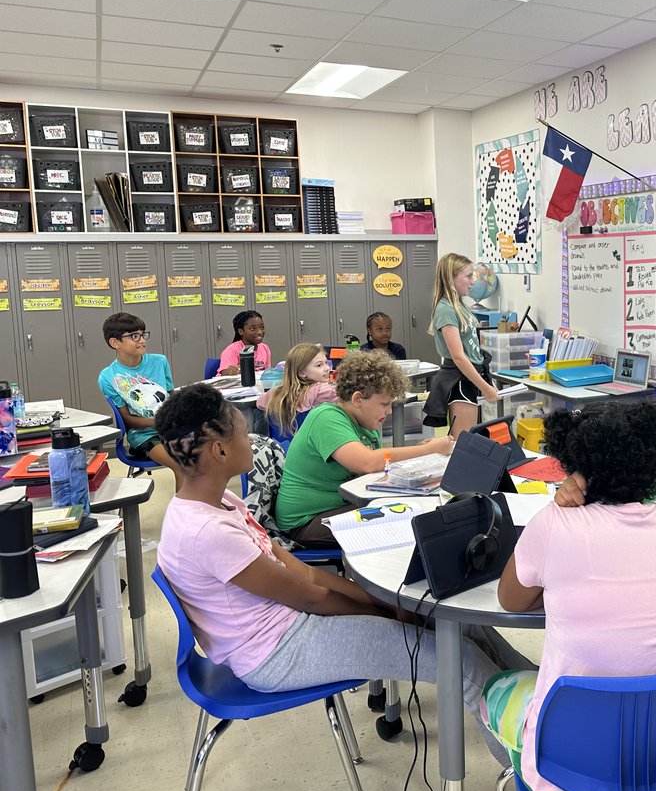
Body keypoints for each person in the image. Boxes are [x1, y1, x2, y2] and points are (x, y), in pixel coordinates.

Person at [153, 382, 533, 763]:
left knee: (460, 622)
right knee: (463, 664)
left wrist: (385, 603)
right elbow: (308, 597)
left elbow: (308, 576)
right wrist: (384, 609)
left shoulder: (223, 502)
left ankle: (543, 697)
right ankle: (530, 774)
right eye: (242, 435)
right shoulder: (207, 532)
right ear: (219, 450)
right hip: (277, 652)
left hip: (293, 623)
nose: (251, 442)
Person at [480, 400, 656, 791]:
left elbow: (510, 599)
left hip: (578, 761)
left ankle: (528, 766)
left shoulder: (555, 523)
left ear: (574, 467)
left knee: (493, 687)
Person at [275, 350, 454, 547]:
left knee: (413, 513)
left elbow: (380, 463)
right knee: (402, 526)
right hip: (306, 521)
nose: (388, 411)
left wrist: (415, 459)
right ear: (358, 399)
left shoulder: (366, 423)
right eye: (384, 404)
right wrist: (429, 450)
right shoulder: (326, 418)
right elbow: (367, 462)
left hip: (342, 505)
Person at [422, 253, 499, 437]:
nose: (473, 281)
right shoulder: (446, 309)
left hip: (469, 376)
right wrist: (486, 388)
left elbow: (472, 351)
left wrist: (487, 382)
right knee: (462, 444)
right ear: (451, 279)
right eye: (468, 276)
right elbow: (458, 356)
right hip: (458, 379)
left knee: (468, 440)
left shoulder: (459, 305)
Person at [97, 311, 181, 480]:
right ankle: (184, 507)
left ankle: (211, 504)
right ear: (115, 343)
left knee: (206, 458)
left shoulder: (160, 361)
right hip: (144, 435)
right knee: (181, 465)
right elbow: (127, 420)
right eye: (134, 336)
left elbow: (172, 397)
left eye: (143, 335)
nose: (142, 340)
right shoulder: (108, 377)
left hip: (173, 428)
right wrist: (160, 423)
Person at [257, 343, 337, 437]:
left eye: (326, 363)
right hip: (314, 446)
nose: (327, 368)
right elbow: (348, 399)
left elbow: (259, 403)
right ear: (302, 373)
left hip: (283, 446)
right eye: (319, 365)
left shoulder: (276, 392)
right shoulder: (323, 391)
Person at [217, 310, 271, 376]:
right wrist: (229, 371)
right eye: (253, 329)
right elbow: (224, 373)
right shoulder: (232, 350)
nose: (260, 332)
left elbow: (267, 373)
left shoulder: (265, 348)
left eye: (262, 327)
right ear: (241, 331)